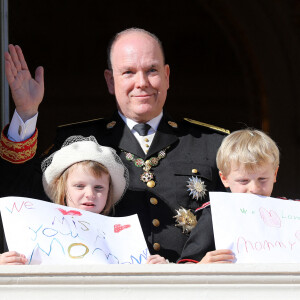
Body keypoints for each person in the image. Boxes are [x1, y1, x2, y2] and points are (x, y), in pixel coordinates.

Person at [0, 28, 229, 262]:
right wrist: (26, 114)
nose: (142, 83)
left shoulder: (214, 145)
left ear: (167, 75)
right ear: (110, 81)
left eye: (152, 70)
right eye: (128, 72)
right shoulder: (78, 142)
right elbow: (20, 197)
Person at [0, 135, 167, 264]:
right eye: (79, 186)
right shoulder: (35, 229)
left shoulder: (126, 238)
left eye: (99, 188)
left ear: (109, 192)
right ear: (63, 189)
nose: (90, 194)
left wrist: (160, 269)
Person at [178, 128, 280, 263]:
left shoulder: (289, 214)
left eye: (262, 179)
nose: (254, 189)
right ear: (224, 178)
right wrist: (201, 266)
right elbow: (186, 265)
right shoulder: (215, 213)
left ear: (274, 174)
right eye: (243, 181)